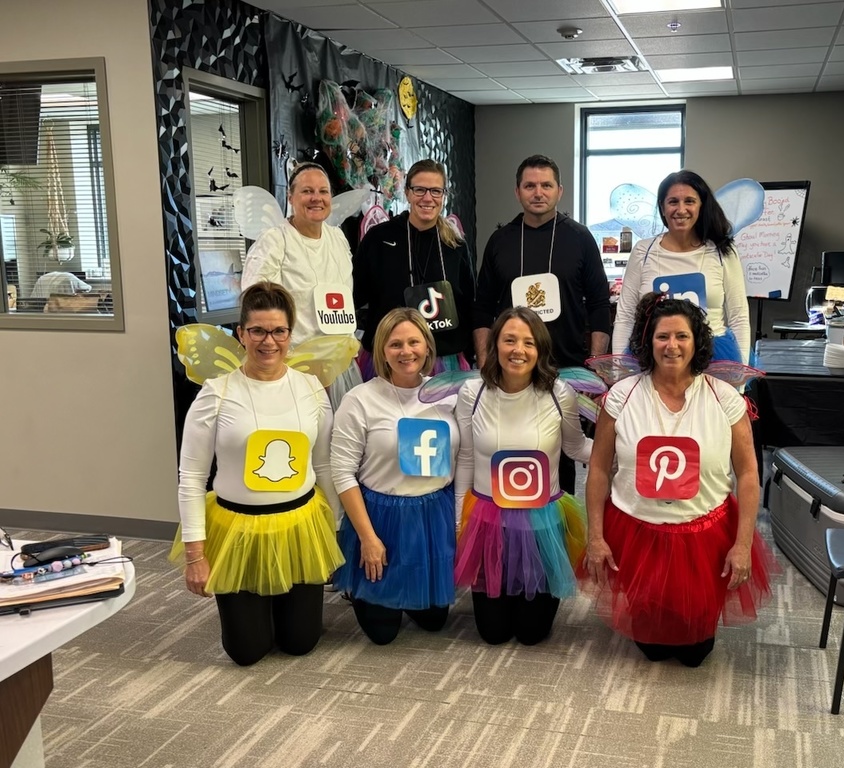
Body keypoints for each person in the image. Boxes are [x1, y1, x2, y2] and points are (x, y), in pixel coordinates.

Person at [585, 292, 773, 666]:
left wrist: (742, 543)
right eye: (662, 336)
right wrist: (595, 535)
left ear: (697, 340)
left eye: (681, 336)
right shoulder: (621, 396)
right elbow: (600, 469)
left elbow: (749, 472)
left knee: (694, 653)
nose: (672, 346)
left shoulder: (725, 398)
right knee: (652, 648)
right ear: (647, 341)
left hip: (704, 535)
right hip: (637, 532)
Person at [172, 282, 344, 666]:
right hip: (239, 529)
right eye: (258, 331)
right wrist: (195, 554)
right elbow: (192, 478)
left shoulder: (311, 389)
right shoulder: (216, 393)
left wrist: (333, 529)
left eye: (279, 331)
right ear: (241, 334)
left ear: (290, 334)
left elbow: (324, 466)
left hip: (300, 526)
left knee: (300, 642)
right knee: (246, 652)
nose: (269, 341)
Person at [473, 154, 610, 494]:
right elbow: (482, 308)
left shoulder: (580, 239)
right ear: (517, 192)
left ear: (559, 191)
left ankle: (557, 526)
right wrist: (484, 360)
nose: (538, 193)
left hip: (565, 367)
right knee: (507, 446)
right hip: (510, 369)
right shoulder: (500, 240)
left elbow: (598, 305)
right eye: (530, 185)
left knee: (560, 455)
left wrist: (593, 367)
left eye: (546, 185)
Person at [454, 306, 591, 646]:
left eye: (528, 343)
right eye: (510, 340)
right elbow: (467, 459)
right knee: (493, 633)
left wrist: (624, 456)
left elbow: (577, 447)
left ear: (540, 349)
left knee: (532, 634)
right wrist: (459, 518)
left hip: (542, 520)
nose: (519, 350)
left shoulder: (561, 394)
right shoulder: (472, 393)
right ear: (495, 344)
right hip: (488, 520)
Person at [330, 308, 459, 645]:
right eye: (395, 344)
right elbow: (342, 472)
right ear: (382, 351)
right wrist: (368, 539)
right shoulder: (360, 399)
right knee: (382, 634)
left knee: (434, 622)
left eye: (414, 342)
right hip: (381, 519)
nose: (406, 352)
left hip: (434, 515)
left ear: (428, 347)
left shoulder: (448, 395)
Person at [241, 161, 362, 405]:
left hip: (340, 367)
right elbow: (254, 305)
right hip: (295, 368)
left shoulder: (337, 237)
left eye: (323, 191)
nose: (316, 198)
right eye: (307, 191)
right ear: (291, 197)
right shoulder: (275, 241)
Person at [611, 170, 751, 365]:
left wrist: (740, 377)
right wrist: (620, 371)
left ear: (702, 205)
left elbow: (739, 317)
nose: (681, 209)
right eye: (673, 201)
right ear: (662, 207)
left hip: (713, 357)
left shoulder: (722, 251)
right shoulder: (643, 251)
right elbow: (625, 316)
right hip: (656, 358)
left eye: (690, 201)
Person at [353, 159, 475, 377]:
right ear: (407, 193)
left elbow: (469, 306)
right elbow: (355, 296)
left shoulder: (455, 246)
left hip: (444, 360)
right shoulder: (379, 239)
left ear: (443, 196)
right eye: (419, 190)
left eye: (436, 191)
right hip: (389, 359)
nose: (427, 198)